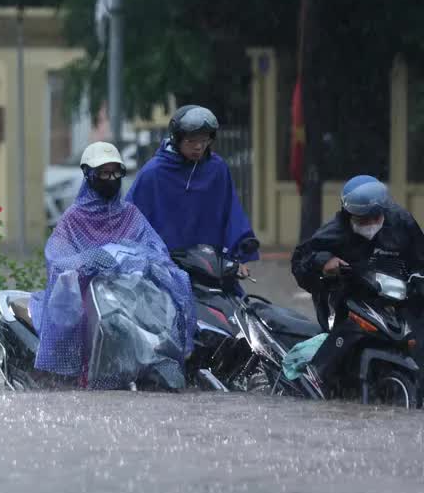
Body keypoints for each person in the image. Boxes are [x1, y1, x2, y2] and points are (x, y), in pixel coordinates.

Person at [31, 142, 195, 387]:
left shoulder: (130, 214)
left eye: (115, 172)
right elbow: (57, 254)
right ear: (89, 175)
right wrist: (87, 260)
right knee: (80, 320)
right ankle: (79, 373)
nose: (110, 178)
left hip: (128, 291)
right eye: (103, 173)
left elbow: (155, 248)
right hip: (90, 292)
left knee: (170, 294)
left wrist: (141, 260)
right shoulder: (73, 218)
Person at [291, 175, 424, 376]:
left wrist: (417, 278)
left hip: (400, 303)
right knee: (341, 352)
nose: (370, 225)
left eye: (376, 218)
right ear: (349, 214)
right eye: (363, 219)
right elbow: (301, 259)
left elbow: (420, 259)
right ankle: (319, 379)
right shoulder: (335, 231)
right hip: (354, 305)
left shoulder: (401, 223)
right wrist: (324, 262)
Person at [127, 105, 258, 279]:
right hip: (165, 271)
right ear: (176, 138)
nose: (198, 147)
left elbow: (231, 212)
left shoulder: (217, 169)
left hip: (211, 267)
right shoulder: (153, 173)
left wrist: (238, 256)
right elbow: (130, 222)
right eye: (191, 141)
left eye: (204, 141)